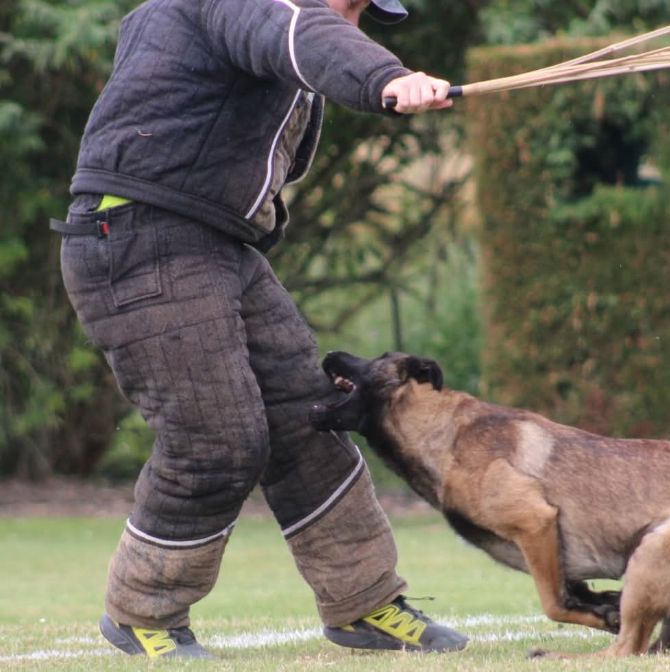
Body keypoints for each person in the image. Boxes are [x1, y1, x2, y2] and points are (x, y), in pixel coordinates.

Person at [51, 0, 467, 659]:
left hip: (215, 245)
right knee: (216, 438)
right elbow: (295, 28)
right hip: (137, 237)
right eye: (350, 7)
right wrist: (386, 77)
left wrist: (366, 71)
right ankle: (142, 613)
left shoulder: (281, 45)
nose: (351, 25)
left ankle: (365, 603)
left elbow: (298, 50)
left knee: (312, 419)